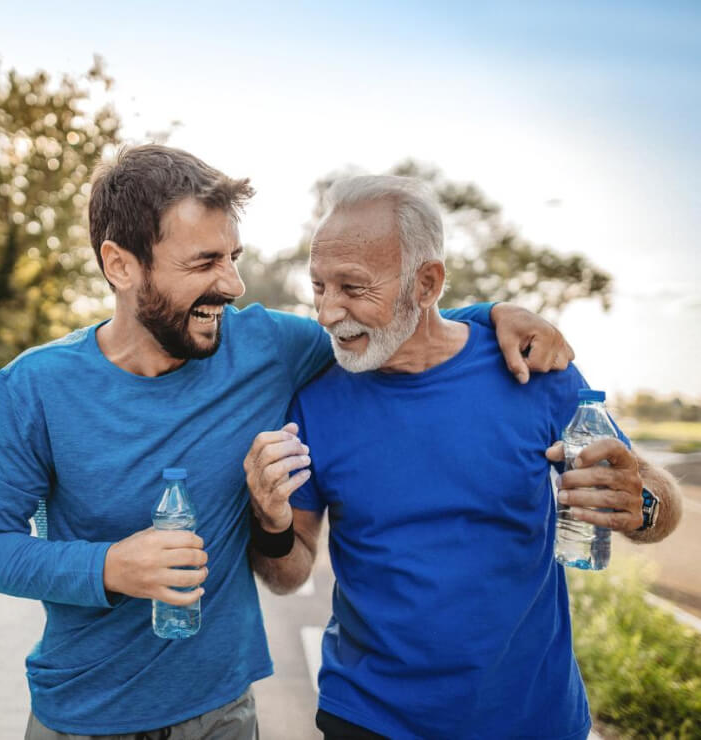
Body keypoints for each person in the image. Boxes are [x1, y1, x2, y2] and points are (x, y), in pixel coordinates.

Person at [0, 145, 576, 740]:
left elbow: (394, 323)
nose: (233, 284)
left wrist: (495, 315)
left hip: (219, 713)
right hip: (80, 712)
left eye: (233, 256)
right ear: (121, 265)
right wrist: (109, 566)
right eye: (204, 263)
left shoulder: (267, 349)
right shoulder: (34, 387)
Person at [243, 175, 683, 740]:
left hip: (534, 720)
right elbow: (289, 572)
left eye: (352, 288)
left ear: (426, 284)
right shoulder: (314, 399)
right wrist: (272, 524)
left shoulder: (532, 370)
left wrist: (641, 505)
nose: (328, 311)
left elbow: (657, 504)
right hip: (368, 719)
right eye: (319, 286)